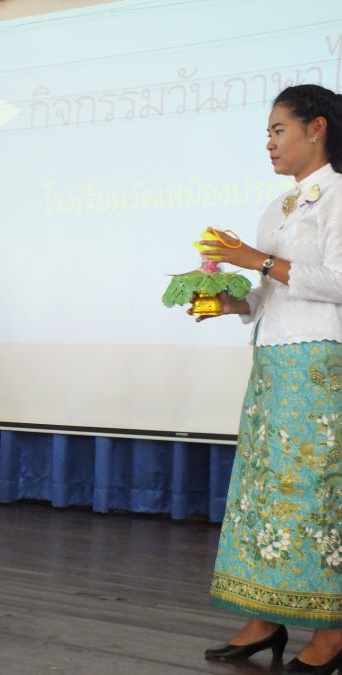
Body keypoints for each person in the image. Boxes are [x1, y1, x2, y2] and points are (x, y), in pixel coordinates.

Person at [197, 84, 342, 673]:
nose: (270, 143)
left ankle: (333, 629)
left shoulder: (339, 195)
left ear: (317, 128)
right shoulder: (277, 207)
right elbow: (269, 295)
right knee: (263, 496)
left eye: (279, 130)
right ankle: (264, 616)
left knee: (315, 495)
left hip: (321, 367)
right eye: (268, 133)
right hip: (274, 366)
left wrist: (253, 259)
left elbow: (338, 282)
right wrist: (232, 302)